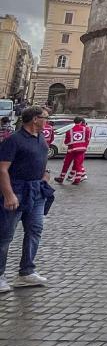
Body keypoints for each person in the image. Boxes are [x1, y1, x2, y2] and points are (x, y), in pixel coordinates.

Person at [0, 106, 51, 293]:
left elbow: (41, 159)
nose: (47, 121)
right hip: (17, 190)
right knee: (5, 236)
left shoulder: (41, 138)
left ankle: (26, 272)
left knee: (35, 231)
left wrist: (45, 174)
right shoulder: (14, 140)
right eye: (45, 117)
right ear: (35, 119)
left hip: (36, 192)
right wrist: (8, 194)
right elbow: (2, 169)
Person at [55, 117, 90, 185]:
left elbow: (66, 142)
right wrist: (84, 146)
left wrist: (73, 144)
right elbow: (87, 139)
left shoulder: (69, 131)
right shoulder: (86, 129)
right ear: (80, 122)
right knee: (78, 164)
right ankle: (77, 180)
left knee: (66, 164)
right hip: (81, 150)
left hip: (71, 150)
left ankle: (61, 178)